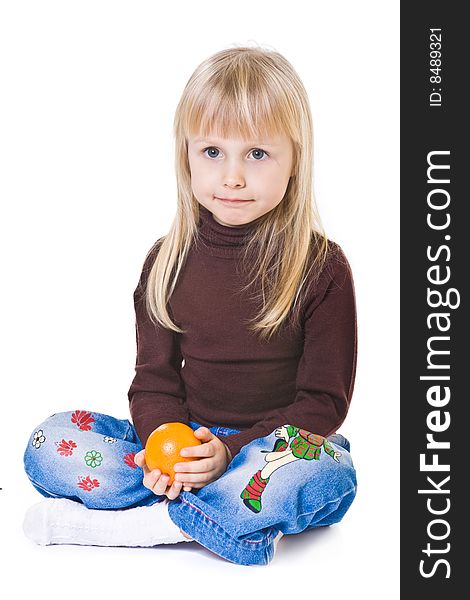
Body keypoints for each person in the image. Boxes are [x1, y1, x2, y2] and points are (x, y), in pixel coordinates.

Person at [22, 45, 358, 566]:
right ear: (186, 155)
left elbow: (322, 404)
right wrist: (163, 444)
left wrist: (231, 452)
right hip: (185, 445)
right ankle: (210, 514)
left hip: (266, 454)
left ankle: (147, 526)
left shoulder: (321, 266)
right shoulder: (167, 259)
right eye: (212, 152)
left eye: (257, 154)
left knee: (321, 474)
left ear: (296, 160)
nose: (233, 177)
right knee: (49, 441)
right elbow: (154, 382)